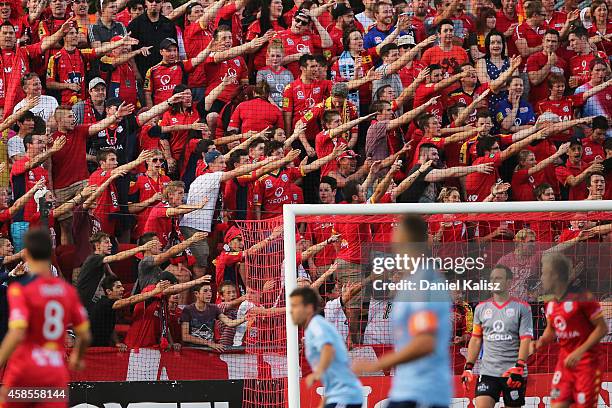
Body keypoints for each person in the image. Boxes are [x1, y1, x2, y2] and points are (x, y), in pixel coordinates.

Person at [352, 215, 451, 408]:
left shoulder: (426, 282)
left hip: (424, 390)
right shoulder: (410, 282)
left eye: (398, 239)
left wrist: (374, 365)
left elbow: (425, 342)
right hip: (406, 388)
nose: (394, 244)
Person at [0, 229, 91, 403]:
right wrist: (77, 358)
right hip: (54, 371)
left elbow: (17, 332)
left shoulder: (21, 290)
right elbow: (85, 334)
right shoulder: (67, 291)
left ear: (27, 253)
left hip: (24, 368)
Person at [532, 252, 608, 408]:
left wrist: (579, 352)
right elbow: (551, 330)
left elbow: (602, 329)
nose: (541, 278)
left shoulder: (583, 298)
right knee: (556, 404)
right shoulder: (550, 304)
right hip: (564, 365)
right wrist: (540, 342)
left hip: (587, 364)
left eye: (544, 273)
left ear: (555, 275)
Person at [462, 265, 533, 408]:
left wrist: (519, 366)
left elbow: (526, 340)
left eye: (498, 278)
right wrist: (468, 366)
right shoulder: (481, 308)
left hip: (513, 372)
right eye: (492, 278)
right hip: (488, 372)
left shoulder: (522, 307)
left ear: (509, 282)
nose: (494, 281)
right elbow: (476, 339)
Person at [290, 286, 364, 408]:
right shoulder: (313, 327)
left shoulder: (316, 324)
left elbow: (328, 348)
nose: (291, 311)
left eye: (296, 307)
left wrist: (317, 373)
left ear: (308, 308)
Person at [181, 283, 246, 350]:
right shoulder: (188, 310)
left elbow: (230, 323)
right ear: (196, 294)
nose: (209, 294)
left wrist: (246, 317)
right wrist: (209, 343)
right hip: (193, 350)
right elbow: (185, 336)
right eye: (205, 291)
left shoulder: (214, 308)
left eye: (210, 291)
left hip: (210, 350)